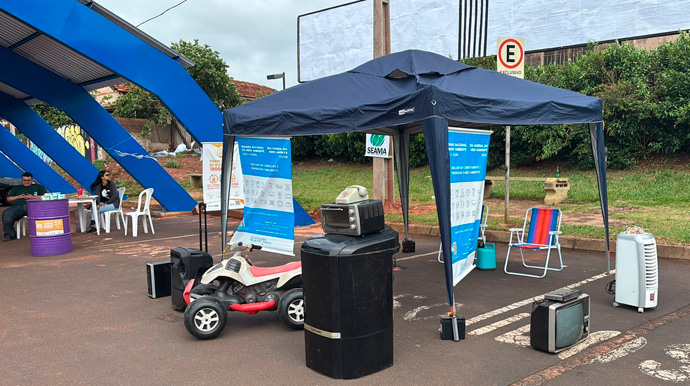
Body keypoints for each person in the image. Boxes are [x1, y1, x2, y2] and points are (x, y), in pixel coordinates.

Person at [2, 172, 48, 241]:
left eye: (28, 180)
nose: (26, 182)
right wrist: (19, 197)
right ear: (22, 180)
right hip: (18, 207)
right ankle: (10, 234)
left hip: (33, 206)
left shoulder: (38, 187)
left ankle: (42, 232)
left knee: (42, 214)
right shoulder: (16, 188)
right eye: (24, 180)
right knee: (6, 213)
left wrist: (32, 197)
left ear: (32, 180)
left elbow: (46, 196)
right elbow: (8, 199)